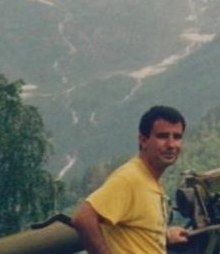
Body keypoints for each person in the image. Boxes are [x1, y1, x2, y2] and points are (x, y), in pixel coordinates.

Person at [72, 105, 191, 254]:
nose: (171, 145)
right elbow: (83, 218)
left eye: (177, 137)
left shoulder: (149, 180)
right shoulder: (129, 178)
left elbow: (135, 230)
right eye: (162, 136)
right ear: (143, 140)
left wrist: (165, 235)